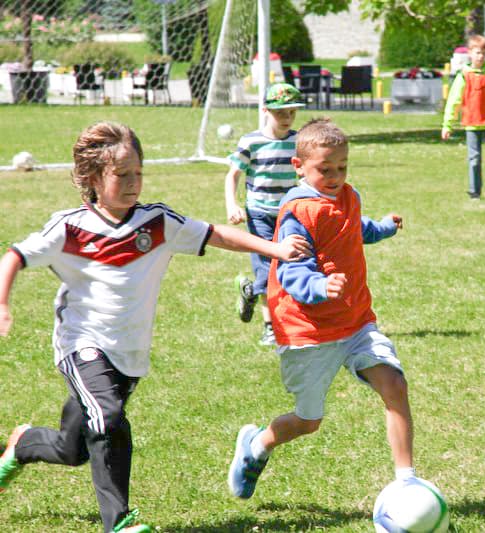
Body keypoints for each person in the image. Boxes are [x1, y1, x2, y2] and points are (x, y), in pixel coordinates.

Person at [0, 122, 311, 532]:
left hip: (128, 353)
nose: (133, 183)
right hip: (81, 343)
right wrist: (3, 302)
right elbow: (15, 255)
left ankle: (23, 445)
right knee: (108, 420)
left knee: (74, 447)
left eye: (138, 173)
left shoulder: (157, 222)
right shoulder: (70, 227)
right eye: (121, 175)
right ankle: (120, 522)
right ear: (93, 178)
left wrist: (275, 248)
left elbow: (216, 234)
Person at [227, 118, 414, 500]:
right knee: (308, 421)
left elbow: (353, 227)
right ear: (299, 167)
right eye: (325, 169)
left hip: (356, 320)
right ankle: (257, 446)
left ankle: (406, 482)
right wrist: (320, 286)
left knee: (394, 385)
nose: (335, 176)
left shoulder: (348, 196)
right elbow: (293, 272)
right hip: (308, 331)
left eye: (342, 167)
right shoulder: (298, 213)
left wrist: (383, 227)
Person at [225, 82, 306, 345]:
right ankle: (270, 327)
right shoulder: (252, 142)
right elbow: (233, 175)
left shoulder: (297, 141)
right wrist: (232, 204)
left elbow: (307, 174)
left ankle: (250, 291)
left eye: (292, 113)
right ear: (265, 111)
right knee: (267, 269)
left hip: (289, 213)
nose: (287, 118)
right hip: (259, 213)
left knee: (292, 262)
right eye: (281, 113)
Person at [441, 34, 485, 199]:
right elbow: (454, 100)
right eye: (477, 52)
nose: (481, 56)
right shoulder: (464, 75)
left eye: (484, 53)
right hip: (472, 123)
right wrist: (447, 125)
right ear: (470, 53)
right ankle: (474, 192)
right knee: (474, 159)